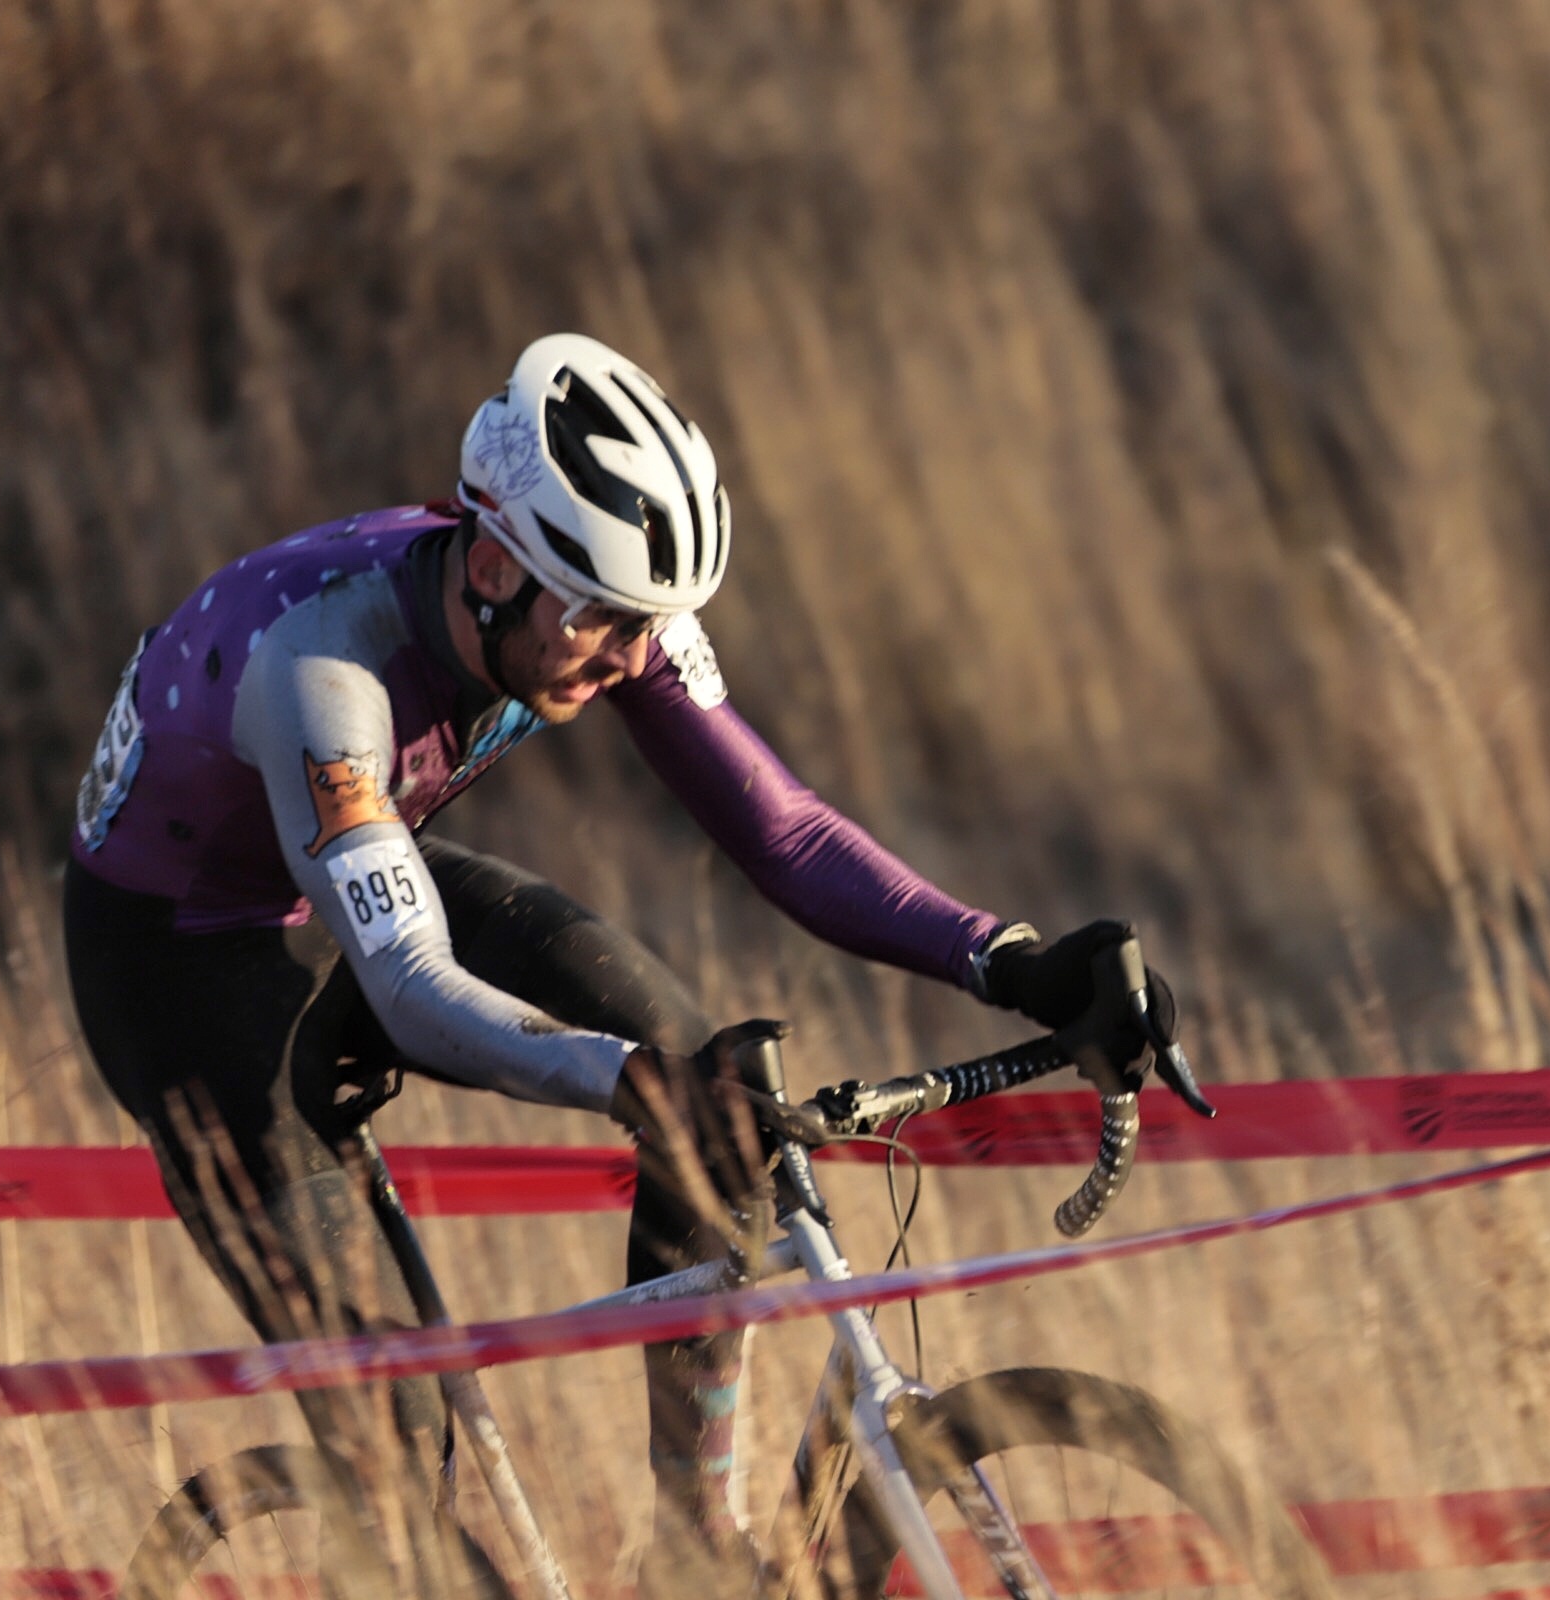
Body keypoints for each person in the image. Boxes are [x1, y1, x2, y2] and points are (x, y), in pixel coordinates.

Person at [60, 333, 1175, 1594]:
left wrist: (1010, 960)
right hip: (180, 958)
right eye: (608, 622)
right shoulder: (323, 671)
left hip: (349, 880)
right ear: (491, 566)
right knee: (399, 1437)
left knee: (714, 1095)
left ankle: (692, 1552)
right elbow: (413, 988)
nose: (636, 657)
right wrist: (625, 1079)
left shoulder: (587, 609)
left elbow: (785, 828)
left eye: (657, 623)